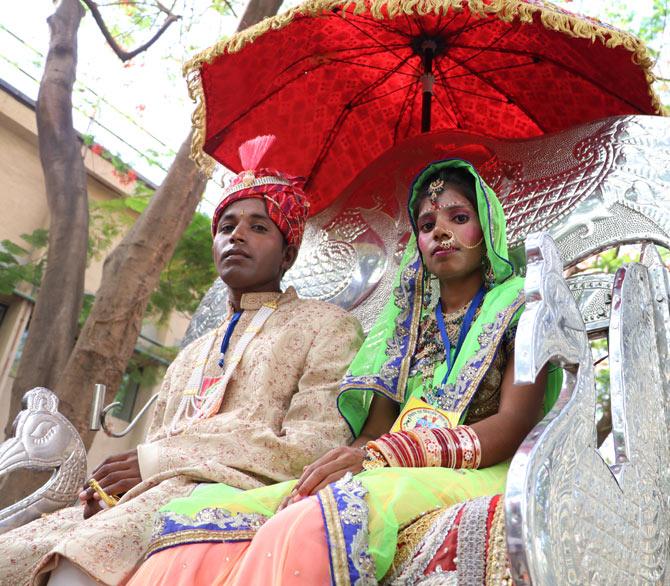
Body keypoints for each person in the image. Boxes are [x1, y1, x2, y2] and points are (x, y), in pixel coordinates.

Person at [127, 157, 561, 585]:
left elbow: (515, 423)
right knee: (205, 518)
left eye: (459, 217)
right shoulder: (405, 323)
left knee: (312, 522)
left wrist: (389, 455)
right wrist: (339, 463)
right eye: (426, 226)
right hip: (391, 464)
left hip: (481, 468)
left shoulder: (521, 305)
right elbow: (376, 431)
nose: (440, 232)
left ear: (487, 230)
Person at [0, 136, 364, 586]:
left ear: (288, 252)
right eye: (227, 226)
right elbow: (151, 453)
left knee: (76, 567)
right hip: (147, 500)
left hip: (234, 499)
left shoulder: (328, 326)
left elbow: (314, 448)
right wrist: (117, 489)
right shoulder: (191, 353)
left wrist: (158, 462)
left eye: (259, 227)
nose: (237, 236)